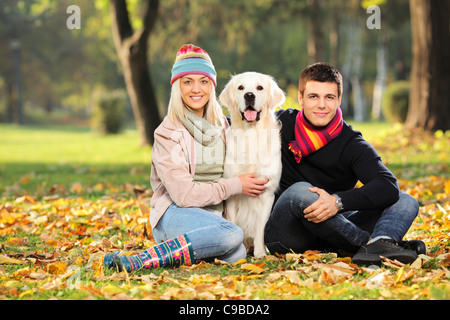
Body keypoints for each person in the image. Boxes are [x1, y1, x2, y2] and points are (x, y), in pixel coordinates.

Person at [104, 44, 268, 272]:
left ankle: (180, 251)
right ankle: (140, 260)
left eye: (203, 81)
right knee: (232, 234)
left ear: (212, 86)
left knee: (237, 253)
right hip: (174, 213)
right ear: (177, 87)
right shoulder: (167, 133)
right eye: (187, 81)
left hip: (212, 219)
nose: (196, 89)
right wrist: (235, 185)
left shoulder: (222, 125)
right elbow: (183, 195)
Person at [264, 62, 426, 266]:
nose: (321, 105)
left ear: (339, 99)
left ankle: (378, 244)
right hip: (287, 233)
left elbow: (387, 185)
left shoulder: (351, 142)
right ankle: (374, 246)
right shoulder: (278, 123)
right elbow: (231, 123)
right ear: (300, 97)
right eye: (313, 96)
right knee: (301, 192)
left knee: (405, 200)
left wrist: (337, 201)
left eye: (329, 97)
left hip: (337, 229)